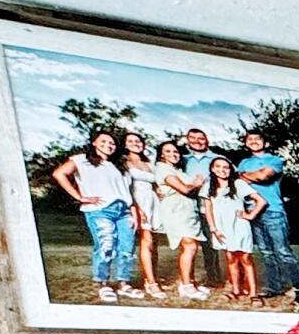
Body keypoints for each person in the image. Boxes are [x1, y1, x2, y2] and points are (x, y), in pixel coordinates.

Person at [48, 130, 135, 303]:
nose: (108, 146)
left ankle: (124, 283)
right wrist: (79, 197)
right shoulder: (82, 160)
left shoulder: (119, 165)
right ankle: (103, 284)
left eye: (112, 143)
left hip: (123, 210)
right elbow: (59, 174)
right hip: (100, 209)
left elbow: (127, 191)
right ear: (94, 142)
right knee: (106, 246)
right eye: (103, 141)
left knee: (127, 248)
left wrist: (133, 211)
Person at [235, 128, 299, 299]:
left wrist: (246, 176)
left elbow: (264, 177)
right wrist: (251, 174)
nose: (253, 141)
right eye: (250, 139)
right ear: (245, 143)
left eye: (258, 139)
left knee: (282, 251)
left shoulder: (274, 159)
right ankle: (274, 287)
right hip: (253, 213)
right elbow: (239, 179)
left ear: (265, 142)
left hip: (273, 211)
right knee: (266, 252)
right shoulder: (244, 163)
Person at [149, 137, 206, 300]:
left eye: (175, 151)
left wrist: (193, 186)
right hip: (175, 210)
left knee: (190, 246)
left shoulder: (179, 171)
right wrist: (197, 184)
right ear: (161, 156)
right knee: (189, 245)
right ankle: (187, 286)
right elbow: (185, 189)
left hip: (188, 210)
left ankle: (188, 282)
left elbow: (188, 190)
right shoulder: (162, 168)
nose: (173, 154)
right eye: (168, 151)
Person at [205, 155, 258, 303]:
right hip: (222, 228)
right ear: (212, 169)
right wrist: (213, 228)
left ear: (230, 170)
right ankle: (236, 290)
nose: (222, 170)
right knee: (230, 258)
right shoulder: (209, 187)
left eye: (226, 167)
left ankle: (254, 293)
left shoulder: (239, 184)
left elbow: (260, 201)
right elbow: (208, 209)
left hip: (239, 226)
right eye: (218, 167)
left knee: (245, 258)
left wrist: (250, 215)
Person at [124, 133, 167, 299]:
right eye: (131, 141)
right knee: (146, 241)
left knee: (152, 243)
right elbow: (126, 187)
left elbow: (155, 184)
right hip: (136, 201)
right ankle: (151, 283)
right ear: (126, 145)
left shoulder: (149, 163)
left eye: (138, 141)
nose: (136, 144)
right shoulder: (124, 162)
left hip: (152, 202)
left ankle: (150, 276)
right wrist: (136, 207)